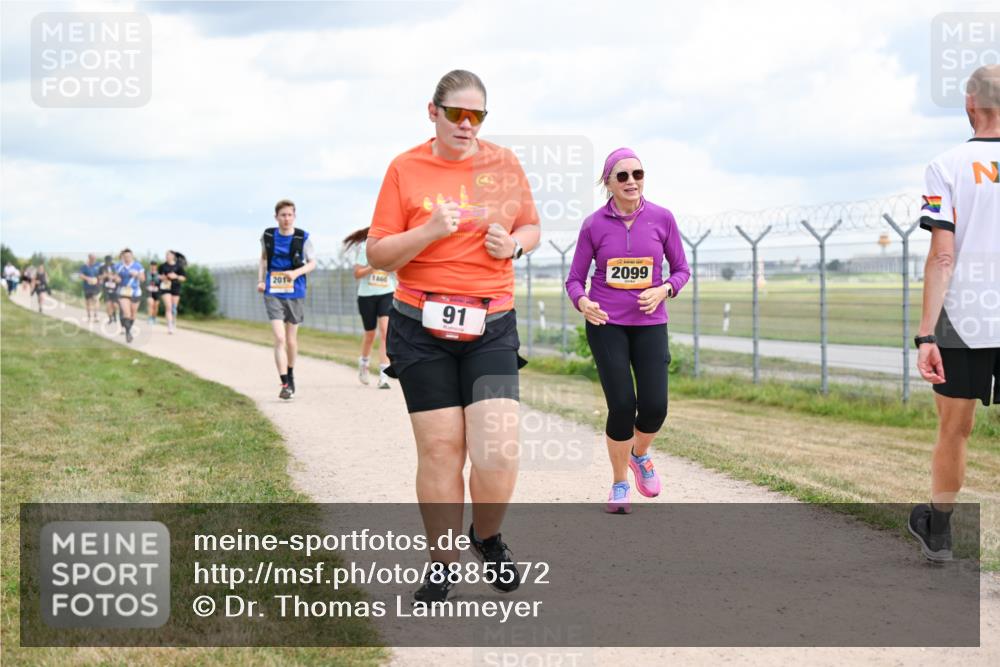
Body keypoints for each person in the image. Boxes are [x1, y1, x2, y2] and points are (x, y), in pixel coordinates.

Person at [366, 69, 541, 604]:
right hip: (421, 326)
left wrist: (514, 245)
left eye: (477, 115)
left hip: (491, 323)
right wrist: (427, 231)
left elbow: (532, 227)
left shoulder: (504, 163)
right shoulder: (405, 168)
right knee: (442, 450)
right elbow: (378, 253)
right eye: (457, 114)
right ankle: (442, 565)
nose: (467, 124)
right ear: (433, 112)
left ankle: (486, 538)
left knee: (498, 450)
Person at [566, 147, 690, 514]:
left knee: (654, 407)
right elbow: (574, 280)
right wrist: (582, 302)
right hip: (606, 323)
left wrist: (664, 289)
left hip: (650, 323)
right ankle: (620, 483)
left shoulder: (662, 218)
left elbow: (681, 270)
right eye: (622, 176)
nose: (632, 181)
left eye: (638, 174)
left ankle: (639, 454)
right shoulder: (593, 225)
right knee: (621, 405)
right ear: (608, 183)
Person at [909, 64, 1000, 563]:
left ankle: (940, 532)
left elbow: (942, 257)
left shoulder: (946, 166)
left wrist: (926, 335)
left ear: (970, 103)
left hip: (966, 320)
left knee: (955, 430)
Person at [257, 200, 317, 400]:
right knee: (280, 338)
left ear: (294, 216)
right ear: (276, 217)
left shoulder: (302, 237)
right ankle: (284, 383)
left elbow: (312, 263)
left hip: (295, 291)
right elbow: (263, 259)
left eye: (290, 215)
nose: (286, 218)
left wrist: (295, 273)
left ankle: (290, 374)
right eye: (283, 215)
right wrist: (261, 281)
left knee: (291, 340)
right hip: (273, 291)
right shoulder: (268, 236)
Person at [344, 227, 397, 388]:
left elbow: (397, 269)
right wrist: (372, 267)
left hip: (386, 293)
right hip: (366, 296)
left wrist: (391, 266)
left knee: (385, 332)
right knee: (370, 335)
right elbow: (357, 274)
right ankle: (364, 364)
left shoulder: (392, 246)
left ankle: (384, 376)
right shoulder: (365, 247)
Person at [114, 249, 145, 343]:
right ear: (123, 257)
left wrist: (137, 274)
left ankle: (128, 329)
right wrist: (117, 279)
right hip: (123, 292)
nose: (127, 258)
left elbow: (143, 279)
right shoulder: (118, 266)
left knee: (133, 314)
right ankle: (128, 333)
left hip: (135, 292)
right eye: (125, 256)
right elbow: (115, 277)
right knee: (126, 313)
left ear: (132, 256)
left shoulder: (138, 266)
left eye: (129, 256)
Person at [158, 250, 186, 334]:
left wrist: (176, 276)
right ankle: (169, 326)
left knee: (173, 308)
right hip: (165, 287)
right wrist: (162, 277)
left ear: (173, 256)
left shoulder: (179, 266)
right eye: (166, 255)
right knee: (168, 307)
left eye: (169, 255)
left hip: (175, 287)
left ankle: (174, 321)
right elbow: (158, 276)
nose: (167, 256)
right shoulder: (162, 266)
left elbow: (183, 278)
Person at [79, 254, 102, 322]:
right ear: (89, 258)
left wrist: (99, 279)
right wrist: (88, 278)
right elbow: (80, 275)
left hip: (96, 286)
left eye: (94, 258)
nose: (93, 260)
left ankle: (96, 316)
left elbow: (101, 274)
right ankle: (89, 316)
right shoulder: (84, 266)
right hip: (87, 287)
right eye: (92, 258)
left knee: (96, 299)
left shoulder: (98, 265)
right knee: (88, 302)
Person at [99, 255, 119, 325]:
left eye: (110, 261)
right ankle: (110, 318)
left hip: (114, 288)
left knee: (115, 305)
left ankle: (114, 314)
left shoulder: (115, 267)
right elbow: (99, 277)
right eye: (107, 261)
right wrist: (105, 276)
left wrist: (114, 277)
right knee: (108, 305)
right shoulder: (102, 268)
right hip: (106, 288)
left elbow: (118, 277)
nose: (108, 262)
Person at [146, 261, 161, 325]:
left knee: (156, 306)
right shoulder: (147, 273)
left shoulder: (159, 274)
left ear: (156, 267)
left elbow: (161, 283)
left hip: (157, 292)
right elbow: (144, 281)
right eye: (152, 265)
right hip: (149, 291)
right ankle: (149, 318)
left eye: (154, 266)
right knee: (150, 304)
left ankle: (154, 318)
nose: (153, 267)